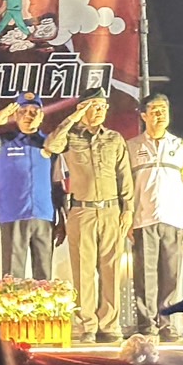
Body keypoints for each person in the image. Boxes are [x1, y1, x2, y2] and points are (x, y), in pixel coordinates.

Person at [45, 86, 133, 344]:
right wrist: (73, 118)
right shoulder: (71, 136)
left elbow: (124, 175)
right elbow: (51, 145)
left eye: (102, 106)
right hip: (81, 210)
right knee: (83, 269)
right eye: (93, 106)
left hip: (111, 210)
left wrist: (128, 209)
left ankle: (109, 324)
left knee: (111, 268)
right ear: (82, 108)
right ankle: (88, 325)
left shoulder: (114, 138)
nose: (99, 111)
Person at [0, 93, 64, 280]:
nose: (29, 115)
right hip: (14, 215)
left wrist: (62, 220)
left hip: (45, 217)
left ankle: (44, 302)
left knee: (44, 278)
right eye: (23, 111)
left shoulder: (51, 144)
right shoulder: (3, 141)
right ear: (15, 116)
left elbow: (57, 184)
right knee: (12, 277)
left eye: (34, 111)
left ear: (42, 116)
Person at [127, 93, 183, 339]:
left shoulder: (180, 145)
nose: (160, 115)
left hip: (173, 218)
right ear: (144, 116)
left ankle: (166, 324)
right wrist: (127, 216)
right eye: (154, 111)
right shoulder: (132, 146)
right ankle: (146, 324)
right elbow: (126, 185)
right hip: (142, 219)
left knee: (170, 275)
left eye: (163, 110)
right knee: (144, 275)